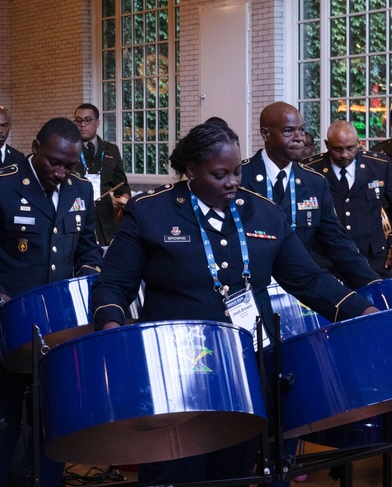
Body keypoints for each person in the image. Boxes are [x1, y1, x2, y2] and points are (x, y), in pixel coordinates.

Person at [92, 119, 377, 485]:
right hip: (175, 373)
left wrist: (362, 310)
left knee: (234, 472)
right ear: (192, 171)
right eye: (220, 174)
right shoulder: (151, 212)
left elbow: (309, 279)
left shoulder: (265, 212)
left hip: (244, 370)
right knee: (174, 470)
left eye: (237, 171)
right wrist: (113, 333)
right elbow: (112, 285)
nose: (233, 182)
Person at [0, 117, 103, 487]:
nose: (61, 172)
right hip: (7, 329)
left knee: (51, 426)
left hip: (60, 333)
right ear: (36, 148)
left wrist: (87, 277)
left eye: (70, 165)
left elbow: (88, 250)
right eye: (55, 162)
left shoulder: (81, 190)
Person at [239, 102, 378, 288]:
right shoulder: (240, 177)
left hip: (299, 288)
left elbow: (337, 242)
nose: (300, 139)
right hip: (252, 288)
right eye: (289, 131)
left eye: (301, 130)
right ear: (266, 134)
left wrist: (375, 283)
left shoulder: (314, 182)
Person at [305, 120, 392, 278]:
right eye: (337, 149)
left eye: (350, 148)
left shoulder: (379, 165)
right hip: (327, 261)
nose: (344, 155)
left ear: (358, 143)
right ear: (327, 144)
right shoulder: (310, 169)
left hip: (373, 258)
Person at [72, 102, 130, 245]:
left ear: (97, 123)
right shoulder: (69, 149)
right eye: (78, 121)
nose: (83, 125)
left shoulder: (111, 150)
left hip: (105, 218)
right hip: (78, 213)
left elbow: (121, 184)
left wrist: (125, 197)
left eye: (87, 120)